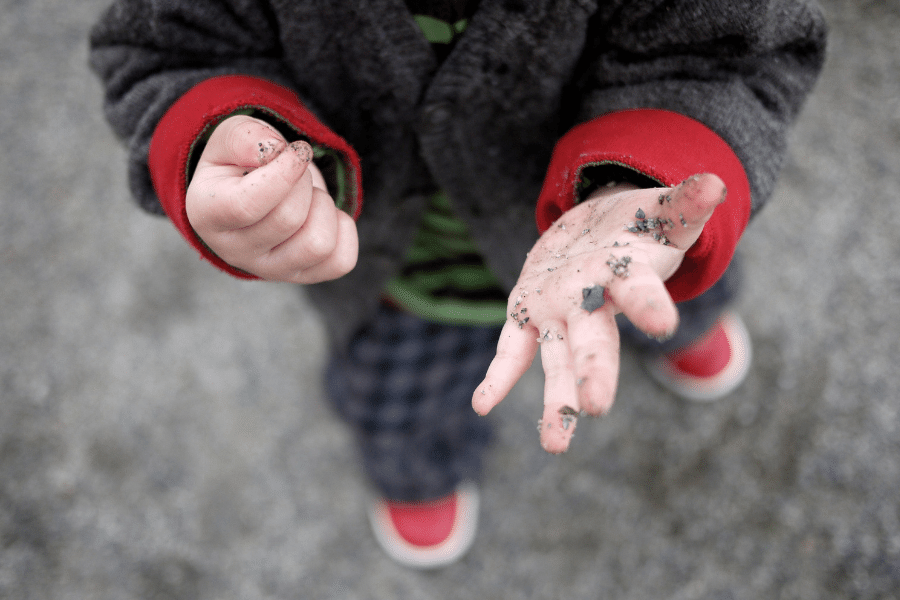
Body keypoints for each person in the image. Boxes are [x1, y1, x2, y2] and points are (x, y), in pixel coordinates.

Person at [90, 0, 827, 569]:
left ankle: (679, 325)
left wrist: (649, 179)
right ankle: (421, 466)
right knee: (403, 400)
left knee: (654, 288)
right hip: (400, 275)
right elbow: (167, 46)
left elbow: (728, 56)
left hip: (620, 228)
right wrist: (216, 134)